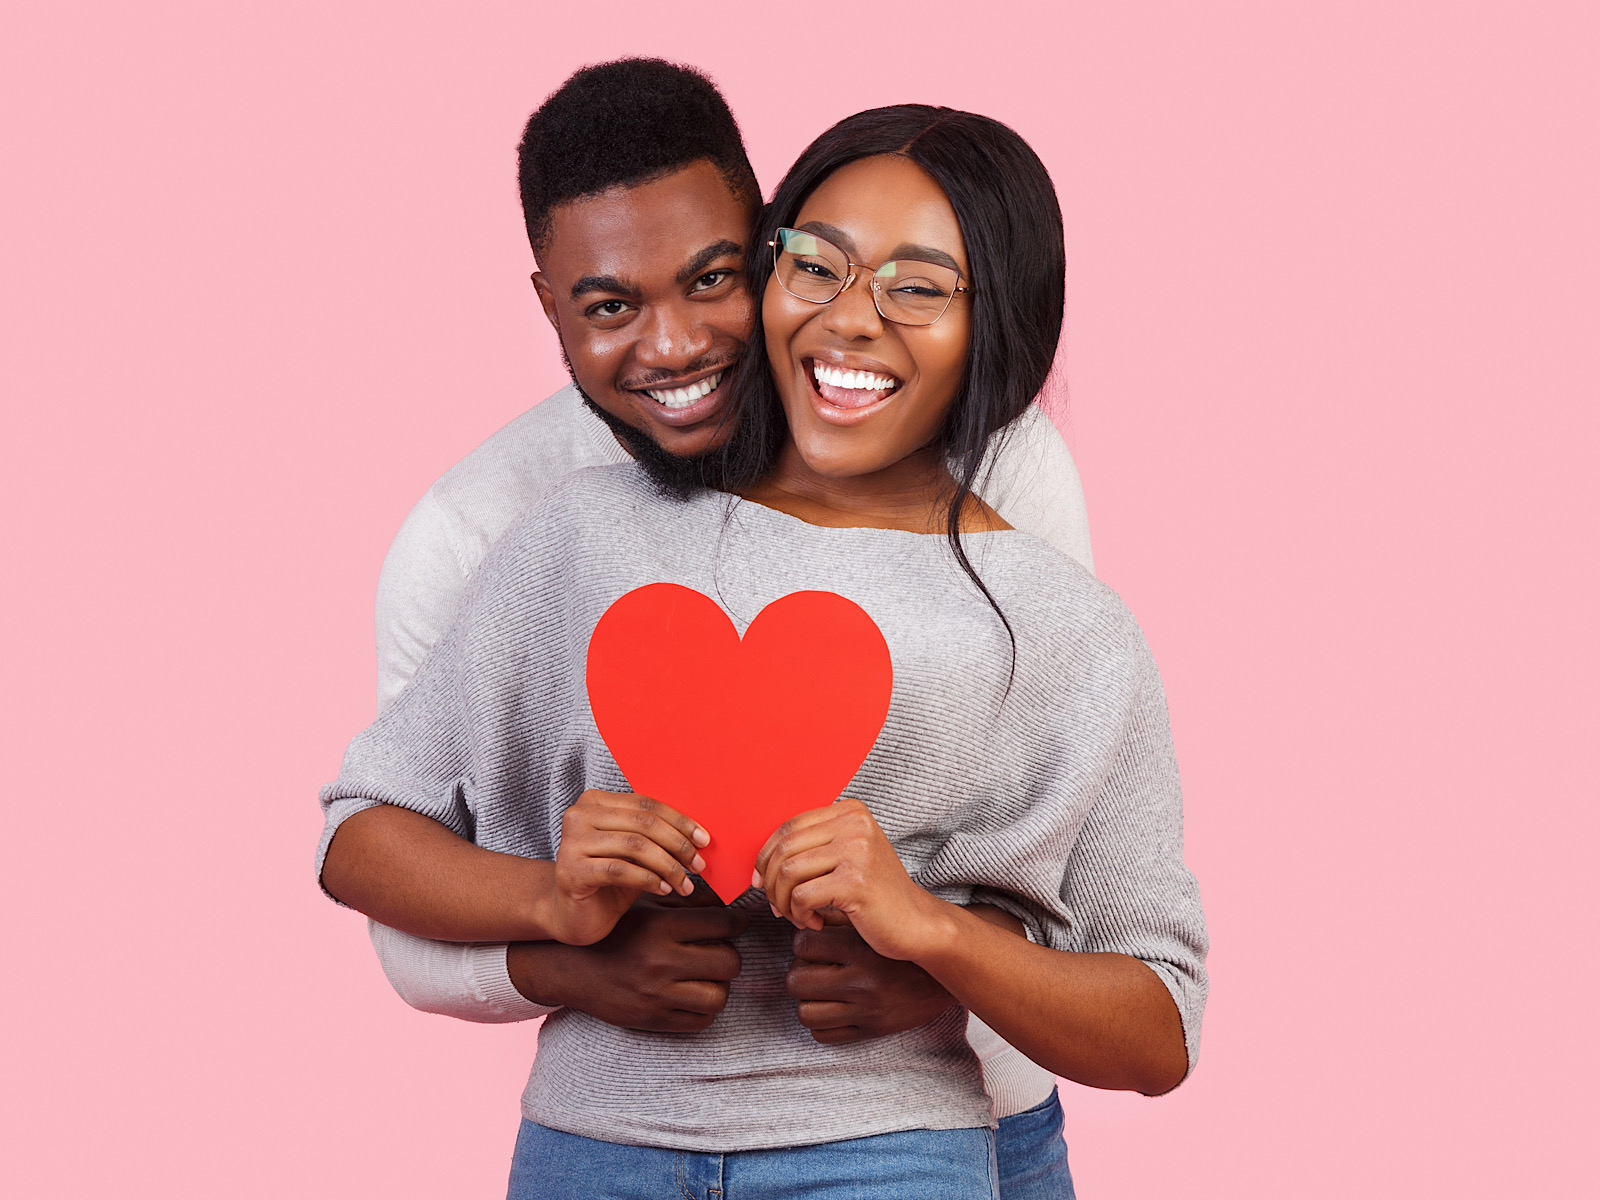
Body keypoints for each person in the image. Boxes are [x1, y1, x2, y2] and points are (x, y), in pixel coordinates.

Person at [319, 102, 1206, 1199]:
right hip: (595, 1146)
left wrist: (936, 941)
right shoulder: (567, 530)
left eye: (917, 286)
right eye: (819, 267)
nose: (852, 320)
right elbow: (361, 831)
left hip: (890, 1151)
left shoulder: (1058, 609)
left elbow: (1157, 1022)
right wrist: (557, 904)